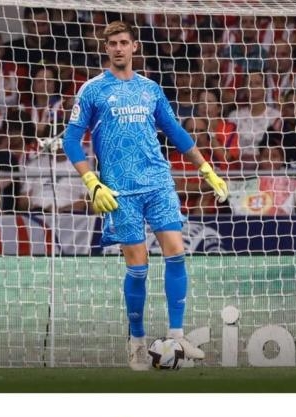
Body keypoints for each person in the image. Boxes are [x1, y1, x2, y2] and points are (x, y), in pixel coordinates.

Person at [62, 20, 228, 371]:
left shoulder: (150, 89)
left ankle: (177, 336)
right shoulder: (92, 91)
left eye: (124, 42)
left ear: (134, 46)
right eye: (112, 43)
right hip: (120, 191)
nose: (118, 48)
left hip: (158, 182)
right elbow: (71, 140)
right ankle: (137, 341)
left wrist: (206, 169)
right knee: (138, 268)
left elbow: (175, 130)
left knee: (176, 253)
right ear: (106, 48)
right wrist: (92, 182)